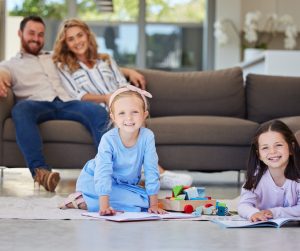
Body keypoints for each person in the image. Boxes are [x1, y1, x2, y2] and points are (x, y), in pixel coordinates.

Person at [0, 16, 141, 192]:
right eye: (31, 33)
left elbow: (94, 62)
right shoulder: (10, 64)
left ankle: (114, 172)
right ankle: (41, 173)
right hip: (35, 104)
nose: (36, 38)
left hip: (67, 103)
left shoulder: (54, 57)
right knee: (20, 110)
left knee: (96, 111)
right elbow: (3, 73)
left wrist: (128, 71)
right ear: (20, 33)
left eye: (40, 34)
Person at [52, 18, 193, 189]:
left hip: (121, 103)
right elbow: (77, 94)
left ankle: (151, 173)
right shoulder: (64, 67)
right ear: (65, 44)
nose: (77, 42)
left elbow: (120, 83)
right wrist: (106, 98)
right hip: (98, 109)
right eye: (70, 39)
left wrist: (126, 98)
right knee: (118, 119)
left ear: (88, 36)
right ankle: (157, 174)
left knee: (132, 114)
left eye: (79, 35)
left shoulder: (106, 60)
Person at [60, 85, 166, 214]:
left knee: (146, 201)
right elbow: (103, 173)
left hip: (122, 185)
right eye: (122, 113)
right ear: (113, 117)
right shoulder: (108, 139)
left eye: (135, 112)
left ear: (144, 115)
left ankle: (88, 201)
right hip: (94, 180)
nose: (129, 118)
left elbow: (151, 170)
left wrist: (153, 205)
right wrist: (104, 207)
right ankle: (81, 199)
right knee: (140, 202)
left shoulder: (147, 136)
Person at [238, 120, 300, 222]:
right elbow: (244, 205)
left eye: (278, 145)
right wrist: (253, 213)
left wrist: (274, 212)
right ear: (259, 155)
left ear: (291, 148)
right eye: (265, 148)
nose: (272, 152)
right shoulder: (256, 177)